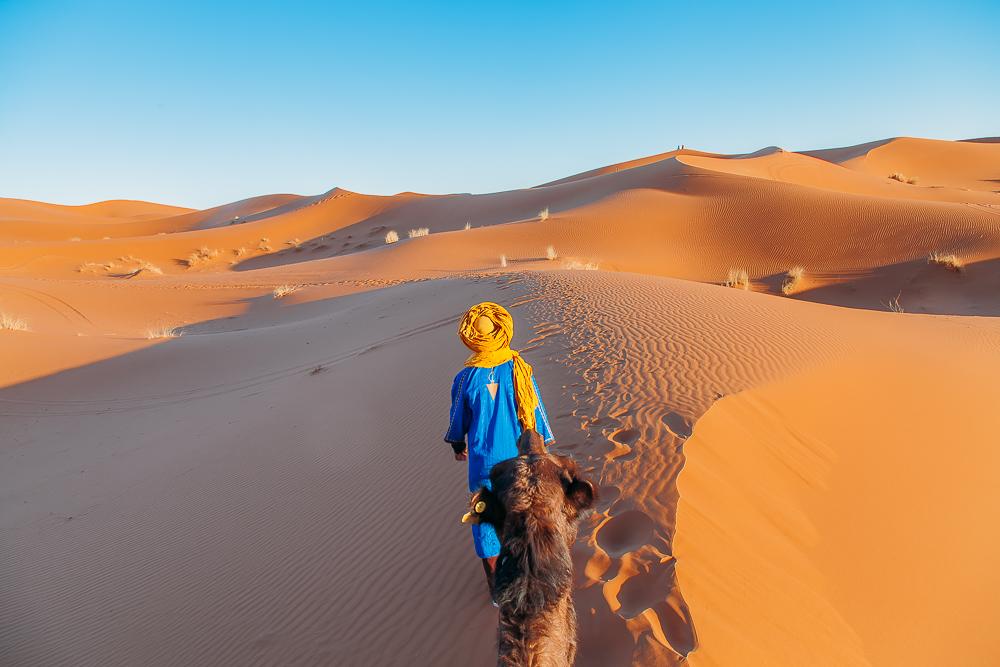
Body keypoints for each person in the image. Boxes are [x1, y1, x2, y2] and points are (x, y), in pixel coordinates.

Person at [444, 301, 555, 602]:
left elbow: (458, 421)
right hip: (518, 461)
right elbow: (535, 413)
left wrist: (458, 446)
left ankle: (497, 590)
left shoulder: (465, 379)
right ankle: (528, 575)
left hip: (483, 464)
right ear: (501, 331)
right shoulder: (520, 369)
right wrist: (541, 445)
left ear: (472, 338)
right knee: (522, 516)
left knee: (484, 522)